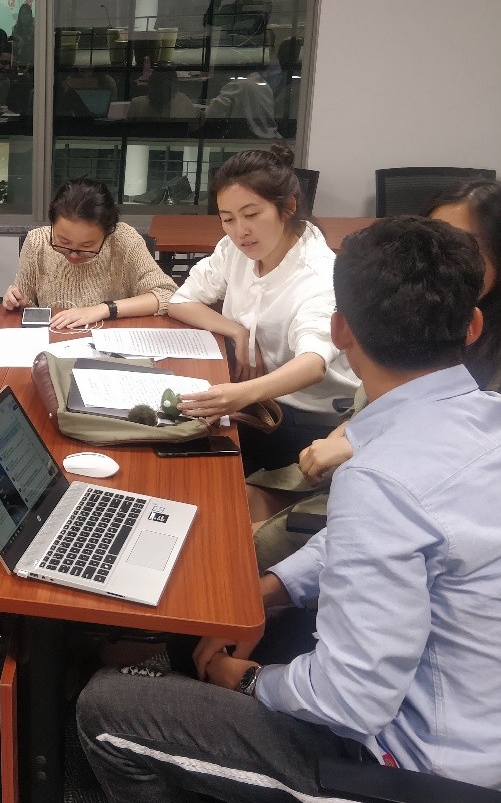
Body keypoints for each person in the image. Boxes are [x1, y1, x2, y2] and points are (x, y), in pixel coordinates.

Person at [77, 216, 501, 798]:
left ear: (340, 329)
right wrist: (270, 591)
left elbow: (350, 701)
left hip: (411, 772)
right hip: (478, 725)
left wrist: (249, 681)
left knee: (106, 708)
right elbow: (379, 538)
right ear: (473, 325)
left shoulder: (379, 479)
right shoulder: (484, 422)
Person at [292, 177, 501, 489]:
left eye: (466, 245)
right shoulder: (417, 304)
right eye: (431, 240)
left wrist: (359, 442)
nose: (441, 258)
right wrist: (351, 428)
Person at [168, 145, 358, 478]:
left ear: (288, 207)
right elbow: (181, 301)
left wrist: (239, 395)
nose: (239, 231)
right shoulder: (235, 249)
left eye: (252, 215)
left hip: (307, 419)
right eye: (228, 219)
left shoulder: (319, 275)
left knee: (196, 472)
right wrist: (236, 329)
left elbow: (313, 363)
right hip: (253, 402)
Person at [2, 179, 176, 329]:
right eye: (63, 242)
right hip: (56, 337)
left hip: (110, 338)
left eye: (86, 246)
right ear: (52, 224)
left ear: (108, 232)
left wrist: (103, 309)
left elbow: (168, 295)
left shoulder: (123, 240)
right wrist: (18, 301)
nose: (73, 255)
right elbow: (24, 306)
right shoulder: (37, 242)